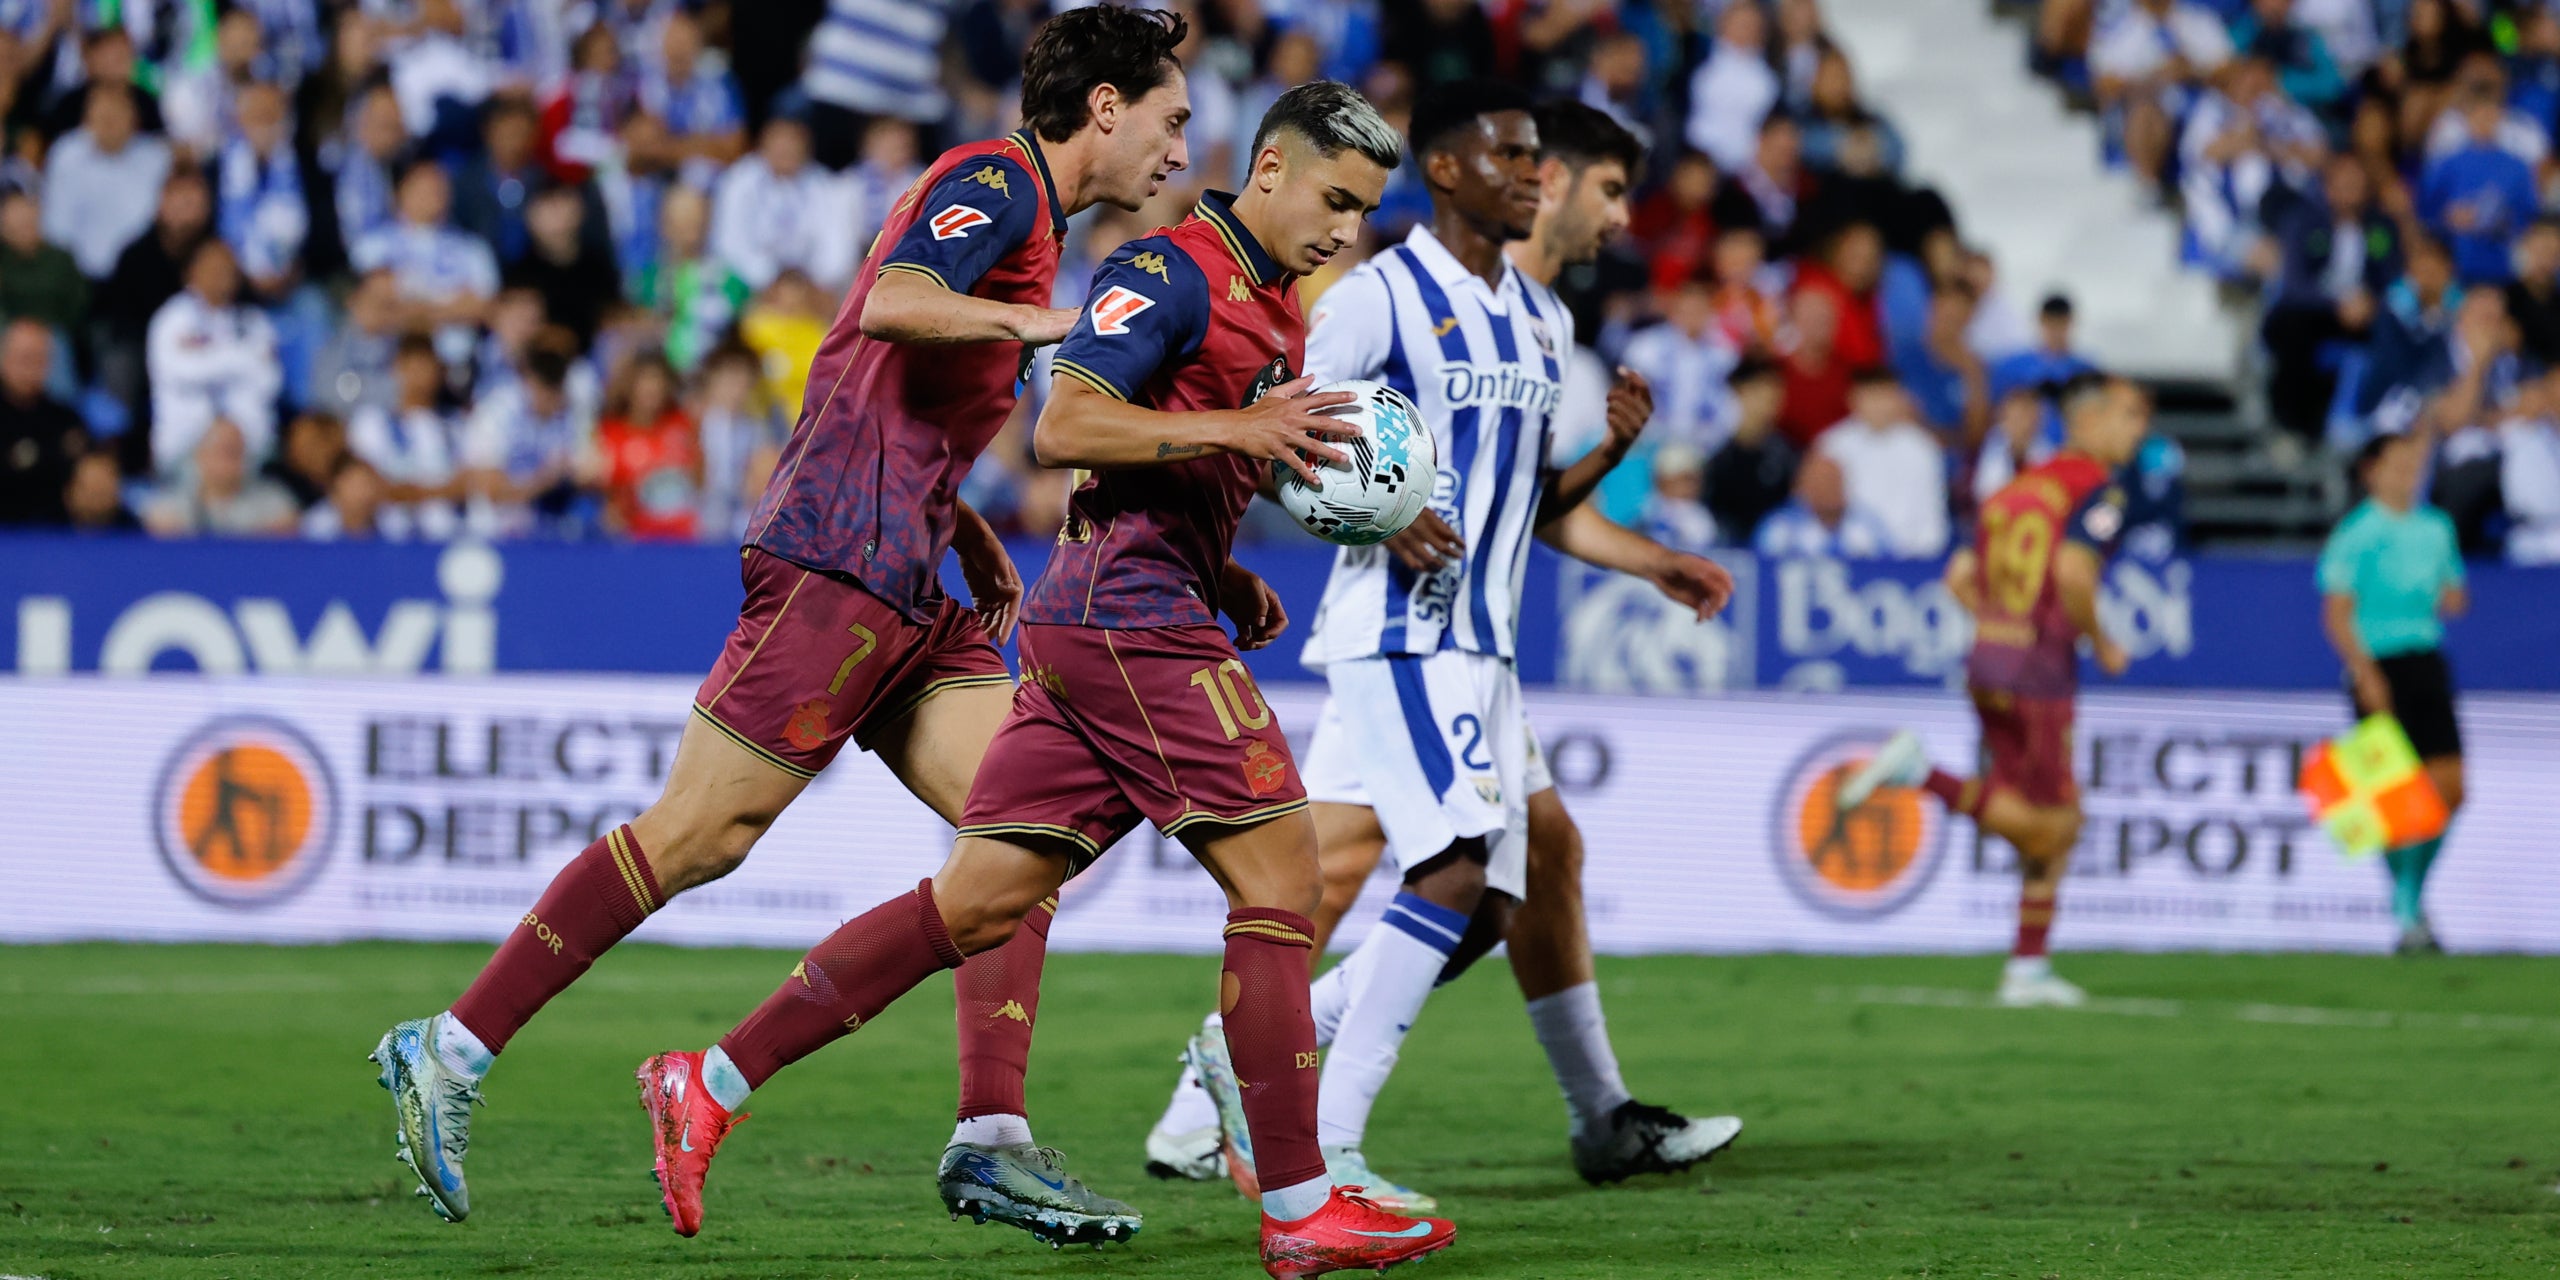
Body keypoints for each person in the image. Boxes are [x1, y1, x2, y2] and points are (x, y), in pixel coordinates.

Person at [365, 6, 1194, 1247]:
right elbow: (900, 304)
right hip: (835, 561)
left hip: (909, 569)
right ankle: (452, 1045)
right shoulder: (993, 180)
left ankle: (992, 1138)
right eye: (1171, 123)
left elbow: (894, 383)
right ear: (1108, 108)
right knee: (698, 833)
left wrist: (954, 507)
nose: (1179, 154)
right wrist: (1042, 326)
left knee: (1026, 834)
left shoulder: (1029, 215)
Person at [638, 81, 1454, 1277]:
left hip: (1119, 615)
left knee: (976, 902)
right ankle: (1299, 1206)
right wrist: (1236, 444)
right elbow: (1067, 425)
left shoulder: (1271, 308)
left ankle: (705, 1080)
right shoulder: (1171, 271)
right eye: (1334, 198)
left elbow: (1150, 460)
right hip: (1131, 627)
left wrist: (1221, 560)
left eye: (1366, 211)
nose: (1345, 229)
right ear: (1268, 171)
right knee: (1281, 871)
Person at [1151, 89, 1740, 1208]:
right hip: (1404, 629)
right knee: (1458, 872)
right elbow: (1284, 428)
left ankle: (1235, 1071)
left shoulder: (1541, 319)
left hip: (1484, 644)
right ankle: (1322, 1141)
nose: (1531, 174)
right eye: (1509, 156)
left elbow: (1522, 498)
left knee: (1476, 895)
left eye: (1536, 157)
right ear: (1446, 170)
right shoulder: (1377, 297)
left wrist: (1612, 471)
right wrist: (1370, 510)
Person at [1836, 374, 2152, 1007]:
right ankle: (1921, 773)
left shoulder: (2013, 491)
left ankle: (2027, 969)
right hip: (2040, 673)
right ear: (2086, 424)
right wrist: (2104, 640)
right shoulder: (2096, 490)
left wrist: (1997, 623)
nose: (2136, 433)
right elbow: (2071, 572)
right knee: (2055, 826)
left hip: (1987, 660)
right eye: (2126, 419)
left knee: (2037, 813)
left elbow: (1957, 576)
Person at [2318, 431, 2468, 954]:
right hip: (2378, 665)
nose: (2409, 471)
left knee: (2450, 787)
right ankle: (2407, 911)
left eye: (2415, 461)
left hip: (2425, 658)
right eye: (2398, 462)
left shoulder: (2436, 527)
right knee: (2390, 798)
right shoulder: (2356, 533)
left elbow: (2454, 593)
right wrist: (2364, 672)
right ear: (2371, 471)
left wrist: (2449, 595)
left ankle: (2411, 892)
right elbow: (2337, 612)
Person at [146, 241, 283, 474]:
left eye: (228, 268)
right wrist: (240, 357)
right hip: (185, 450)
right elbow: (181, 372)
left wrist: (210, 358)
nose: (221, 275)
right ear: (191, 273)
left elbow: (269, 381)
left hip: (249, 454)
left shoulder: (255, 321)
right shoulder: (172, 318)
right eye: (212, 268)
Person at [140, 417, 301, 537]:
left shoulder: (273, 500)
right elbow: (160, 529)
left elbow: (285, 532)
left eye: (237, 452)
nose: (231, 460)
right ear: (201, 455)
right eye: (223, 451)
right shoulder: (171, 504)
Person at [0, 321, 87, 526]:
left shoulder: (65, 418)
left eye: (40, 359)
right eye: (25, 358)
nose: (32, 368)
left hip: (57, 535)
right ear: (4, 359)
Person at [1753, 451, 1891, 558]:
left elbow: (1891, 568)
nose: (1829, 489)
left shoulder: (1868, 527)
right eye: (1821, 483)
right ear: (1803, 488)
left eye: (1834, 481)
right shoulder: (1779, 529)